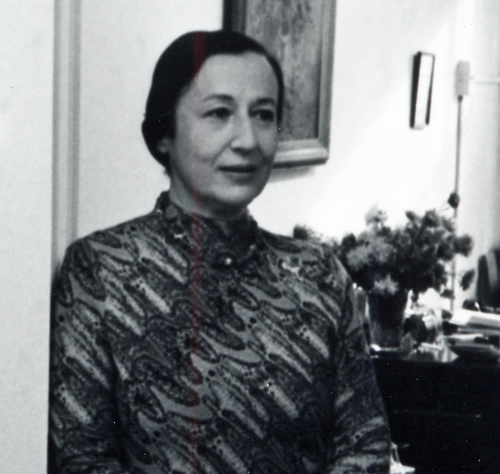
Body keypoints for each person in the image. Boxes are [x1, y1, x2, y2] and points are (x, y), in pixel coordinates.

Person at [49, 30, 390, 474]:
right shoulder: (99, 270)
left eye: (263, 115)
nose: (247, 139)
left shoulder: (318, 274)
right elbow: (82, 457)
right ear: (164, 132)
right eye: (219, 113)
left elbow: (364, 443)